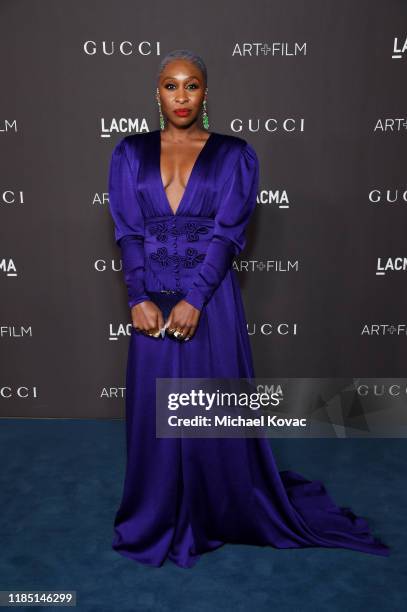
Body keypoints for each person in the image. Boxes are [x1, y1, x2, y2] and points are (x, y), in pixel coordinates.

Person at [108, 49, 390, 568]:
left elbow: (227, 235)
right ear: (157, 93)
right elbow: (128, 231)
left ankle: (219, 508)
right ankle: (156, 515)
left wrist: (195, 300)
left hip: (209, 303)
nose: (181, 96)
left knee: (208, 415)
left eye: (191, 85)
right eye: (171, 86)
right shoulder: (129, 152)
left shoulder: (235, 154)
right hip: (151, 303)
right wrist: (138, 297)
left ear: (205, 93)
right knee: (154, 417)